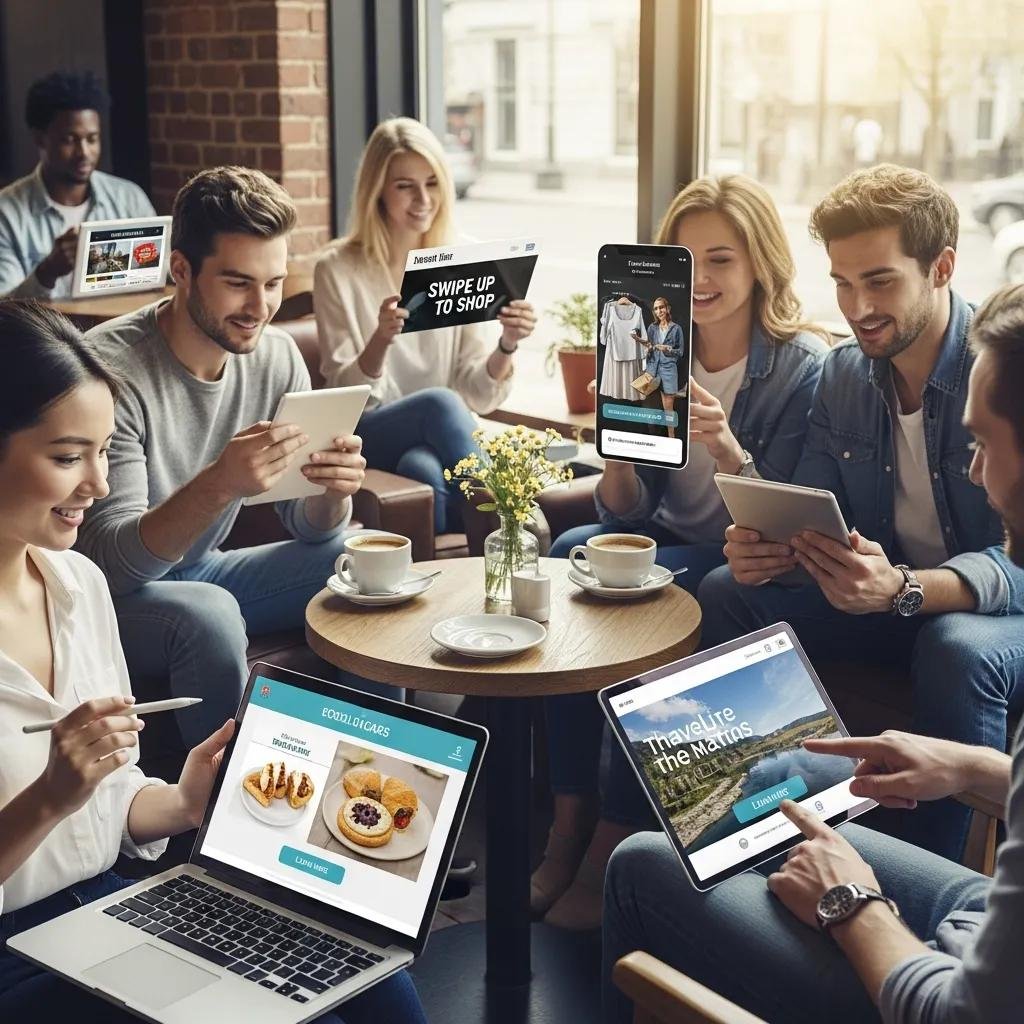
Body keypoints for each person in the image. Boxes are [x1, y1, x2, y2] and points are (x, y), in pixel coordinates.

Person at [602, 281, 1024, 1024]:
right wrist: (971, 767)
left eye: (984, 445)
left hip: (949, 983)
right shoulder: (846, 375)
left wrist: (851, 903)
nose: (973, 470)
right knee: (761, 810)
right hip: (983, 918)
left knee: (640, 865)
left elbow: (960, 1015)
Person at [0, 300, 425, 1023]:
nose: (97, 485)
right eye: (68, 457)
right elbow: (61, 810)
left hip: (101, 911)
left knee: (366, 968)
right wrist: (48, 798)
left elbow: (111, 807)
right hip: (14, 957)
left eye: (104, 452)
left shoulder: (77, 584)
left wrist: (184, 802)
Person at [698, 164, 1024, 862]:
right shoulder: (844, 374)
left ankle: (932, 885)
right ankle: (759, 830)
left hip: (992, 619)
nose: (857, 306)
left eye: (879, 281)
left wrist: (906, 587)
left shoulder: (1002, 368)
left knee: (956, 646)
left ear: (942, 268)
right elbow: (815, 514)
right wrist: (772, 551)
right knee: (726, 590)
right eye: (842, 283)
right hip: (887, 604)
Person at [535, 176, 830, 931]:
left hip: (743, 557)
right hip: (669, 539)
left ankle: (610, 839)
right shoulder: (656, 345)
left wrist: (726, 445)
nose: (701, 280)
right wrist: (618, 445)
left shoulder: (799, 365)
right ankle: (568, 818)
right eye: (686, 262)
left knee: (666, 594)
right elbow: (626, 511)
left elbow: (787, 520)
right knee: (569, 553)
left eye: (722, 259)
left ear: (761, 262)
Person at [74, 167, 370, 748]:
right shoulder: (109, 370)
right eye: (238, 283)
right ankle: (219, 801)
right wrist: (220, 483)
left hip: (203, 569)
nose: (260, 306)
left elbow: (308, 528)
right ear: (181, 270)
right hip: (105, 598)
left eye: (274, 283)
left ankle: (373, 758)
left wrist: (333, 493)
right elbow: (110, 565)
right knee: (207, 613)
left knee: (362, 562)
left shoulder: (277, 357)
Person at [313, 117, 537, 534]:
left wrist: (507, 343)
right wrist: (381, 339)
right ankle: (513, 526)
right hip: (367, 432)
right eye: (405, 186)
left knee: (423, 468)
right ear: (378, 190)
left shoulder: (462, 259)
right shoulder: (337, 269)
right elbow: (345, 399)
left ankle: (456, 570)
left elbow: (477, 395)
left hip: (439, 436)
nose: (423, 199)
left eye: (432, 183)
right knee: (438, 403)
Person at [0, 70, 155, 299]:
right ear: (40, 139)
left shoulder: (129, 198)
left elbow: (160, 276)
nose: (84, 152)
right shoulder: (6, 214)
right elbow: (4, 311)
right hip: (48, 325)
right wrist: (46, 272)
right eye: (69, 140)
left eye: (92, 139)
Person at [639, 297, 684, 440]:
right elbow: (649, 347)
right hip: (652, 370)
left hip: (668, 371)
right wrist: (646, 347)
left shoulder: (676, 329)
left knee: (668, 409)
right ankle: (651, 439)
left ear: (667, 308)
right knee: (648, 407)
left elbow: (680, 352)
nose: (659, 311)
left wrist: (667, 349)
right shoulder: (652, 328)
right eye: (656, 308)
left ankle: (671, 437)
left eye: (661, 307)